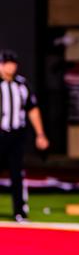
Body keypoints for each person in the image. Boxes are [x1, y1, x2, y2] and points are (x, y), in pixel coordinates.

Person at [0, 50, 48, 221]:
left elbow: (32, 110)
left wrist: (40, 134)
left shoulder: (22, 85)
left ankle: (19, 211)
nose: (10, 67)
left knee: (17, 174)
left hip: (16, 135)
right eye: (6, 63)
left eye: (13, 63)